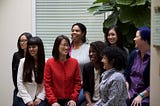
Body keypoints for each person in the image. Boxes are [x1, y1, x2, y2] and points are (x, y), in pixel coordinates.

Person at [44, 35, 81, 106]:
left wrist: (73, 99)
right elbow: (47, 84)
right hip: (53, 99)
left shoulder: (74, 62)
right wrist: (53, 101)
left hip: (69, 99)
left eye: (68, 45)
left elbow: (77, 83)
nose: (66, 48)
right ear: (57, 46)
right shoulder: (49, 62)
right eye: (64, 45)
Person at [17, 36, 47, 106]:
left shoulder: (46, 62)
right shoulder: (23, 61)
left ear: (39, 48)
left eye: (33, 47)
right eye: (29, 47)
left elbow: (47, 83)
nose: (31, 49)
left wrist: (40, 97)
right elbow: (19, 82)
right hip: (24, 96)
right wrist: (28, 100)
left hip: (40, 96)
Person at [124, 27, 150, 106]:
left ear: (145, 40)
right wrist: (126, 89)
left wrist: (141, 96)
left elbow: (156, 84)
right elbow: (126, 75)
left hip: (146, 96)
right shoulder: (133, 54)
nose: (134, 39)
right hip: (131, 93)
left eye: (136, 37)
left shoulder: (154, 58)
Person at [69, 23, 90, 105]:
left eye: (77, 31)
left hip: (84, 86)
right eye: (72, 30)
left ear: (83, 33)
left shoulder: (88, 48)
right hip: (69, 86)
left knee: (75, 102)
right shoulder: (68, 49)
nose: (74, 32)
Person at [82, 41, 106, 106]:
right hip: (91, 100)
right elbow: (86, 89)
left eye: (94, 52)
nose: (91, 54)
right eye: (89, 52)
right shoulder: (87, 67)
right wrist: (89, 103)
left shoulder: (106, 68)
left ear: (100, 53)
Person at [12, 32, 32, 106]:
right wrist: (20, 89)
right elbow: (14, 75)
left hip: (32, 88)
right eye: (20, 41)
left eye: (24, 40)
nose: (22, 43)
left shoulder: (34, 55)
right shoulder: (16, 55)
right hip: (19, 89)